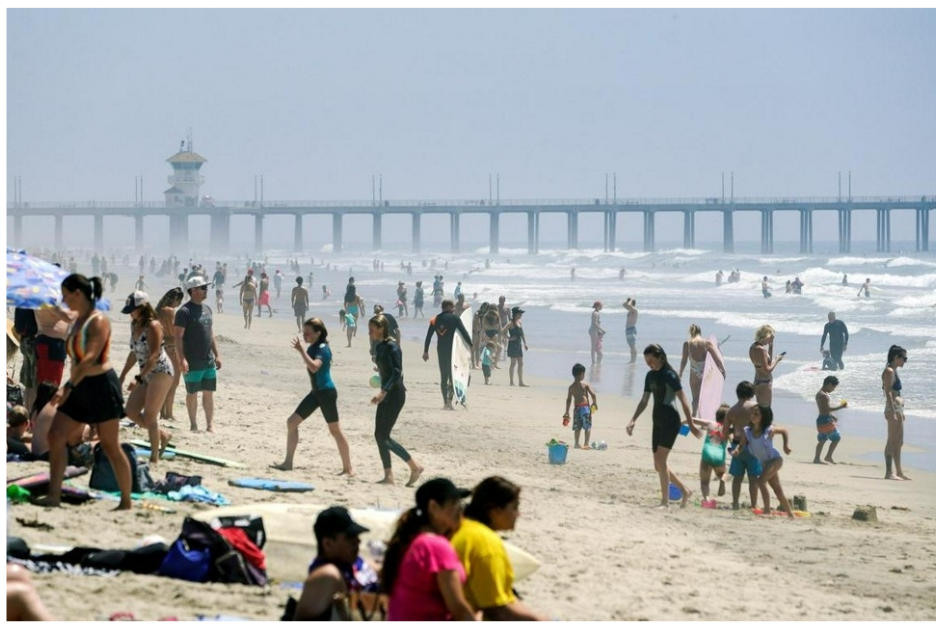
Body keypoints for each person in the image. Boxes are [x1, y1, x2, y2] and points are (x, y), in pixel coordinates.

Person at [44, 274, 130, 509]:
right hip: (79, 384)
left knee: (110, 445)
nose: (64, 300)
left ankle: (126, 501)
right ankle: (53, 495)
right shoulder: (76, 319)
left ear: (78, 294)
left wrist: (67, 387)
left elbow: (90, 357)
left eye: (66, 296)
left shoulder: (98, 321)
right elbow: (63, 315)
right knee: (56, 435)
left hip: (102, 386)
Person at [382, 478, 477, 621]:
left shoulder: (411, 538)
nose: (460, 508)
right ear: (433, 507)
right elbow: (458, 608)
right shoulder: (436, 545)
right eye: (454, 503)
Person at [451, 476, 544, 620]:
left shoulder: (459, 527)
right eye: (514, 507)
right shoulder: (486, 544)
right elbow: (496, 611)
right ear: (494, 511)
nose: (518, 514)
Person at [272, 318, 352, 475]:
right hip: (316, 393)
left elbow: (315, 367)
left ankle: (348, 469)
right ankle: (288, 463)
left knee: (335, 430)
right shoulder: (313, 347)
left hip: (327, 393)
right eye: (304, 332)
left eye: (308, 333)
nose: (305, 335)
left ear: (318, 333)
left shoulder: (323, 349)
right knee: (291, 422)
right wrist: (303, 351)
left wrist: (301, 351)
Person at [626, 344, 701, 508]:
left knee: (661, 461)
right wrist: (633, 419)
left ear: (660, 357)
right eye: (647, 362)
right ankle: (685, 490)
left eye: (651, 360)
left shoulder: (670, 375)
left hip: (670, 421)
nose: (649, 364)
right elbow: (644, 401)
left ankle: (665, 502)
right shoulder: (650, 376)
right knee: (658, 465)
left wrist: (691, 424)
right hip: (657, 421)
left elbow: (684, 401)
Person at [117, 291, 173, 465]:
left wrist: (138, 378)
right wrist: (123, 374)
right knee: (131, 411)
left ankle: (154, 457)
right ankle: (162, 435)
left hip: (161, 372)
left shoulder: (153, 326)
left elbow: (154, 355)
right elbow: (134, 352)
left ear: (143, 308)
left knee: (150, 414)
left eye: (133, 310)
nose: (131, 314)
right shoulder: (134, 324)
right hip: (146, 373)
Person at [370, 314, 423, 486]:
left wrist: (383, 392)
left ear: (381, 329)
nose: (370, 332)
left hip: (395, 394)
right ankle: (389, 476)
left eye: (372, 329)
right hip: (385, 392)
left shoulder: (393, 347)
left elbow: (397, 372)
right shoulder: (379, 347)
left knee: (384, 436)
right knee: (379, 435)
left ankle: (415, 467)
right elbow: (385, 369)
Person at [293, 506, 371, 620]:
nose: (358, 541)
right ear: (328, 544)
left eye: (357, 536)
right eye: (350, 538)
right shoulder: (328, 575)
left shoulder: (349, 562)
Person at [174, 276, 222, 433]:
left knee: (209, 393)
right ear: (193, 290)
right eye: (203, 288)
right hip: (192, 361)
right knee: (192, 392)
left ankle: (210, 425)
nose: (206, 290)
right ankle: (193, 425)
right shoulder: (184, 312)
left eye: (206, 287)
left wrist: (217, 355)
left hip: (208, 360)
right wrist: (182, 359)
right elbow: (178, 337)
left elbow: (211, 333)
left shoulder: (207, 309)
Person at [738, 405, 793, 517]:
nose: (753, 416)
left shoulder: (768, 430)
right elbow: (741, 445)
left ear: (763, 417)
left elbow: (784, 431)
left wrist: (785, 446)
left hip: (775, 460)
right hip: (765, 464)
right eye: (752, 413)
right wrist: (736, 451)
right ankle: (791, 515)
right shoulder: (747, 431)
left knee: (760, 481)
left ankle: (767, 510)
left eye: (756, 414)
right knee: (777, 490)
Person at [720, 381, 764, 510]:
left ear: (737, 393)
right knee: (753, 478)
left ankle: (735, 503)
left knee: (737, 477)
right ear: (752, 393)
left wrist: (731, 434)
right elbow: (763, 425)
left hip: (736, 445)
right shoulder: (755, 407)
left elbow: (725, 431)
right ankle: (754, 504)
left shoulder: (732, 410)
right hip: (753, 445)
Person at [423, 300, 473, 409]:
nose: (454, 308)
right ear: (448, 307)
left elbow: (428, 337)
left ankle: (445, 402)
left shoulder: (435, 319)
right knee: (452, 376)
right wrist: (471, 345)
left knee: (444, 376)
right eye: (453, 307)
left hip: (441, 350)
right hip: (453, 352)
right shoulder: (455, 318)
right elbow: (464, 333)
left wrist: (426, 351)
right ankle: (450, 400)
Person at [678, 324, 726, 416]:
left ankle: (693, 415)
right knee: (705, 398)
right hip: (706, 372)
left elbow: (684, 361)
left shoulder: (687, 344)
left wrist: (680, 373)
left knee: (695, 398)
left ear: (691, 333)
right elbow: (717, 359)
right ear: (700, 332)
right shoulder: (707, 343)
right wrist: (722, 371)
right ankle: (703, 417)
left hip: (694, 372)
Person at [691, 403, 729, 506]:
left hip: (707, 454)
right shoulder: (728, 429)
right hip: (719, 456)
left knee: (704, 482)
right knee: (724, 474)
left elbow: (693, 420)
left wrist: (683, 422)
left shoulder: (710, 424)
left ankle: (707, 500)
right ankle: (722, 481)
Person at [156, 288, 184, 421]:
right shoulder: (170, 311)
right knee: (174, 381)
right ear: (175, 299)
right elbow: (174, 330)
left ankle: (162, 412)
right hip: (172, 347)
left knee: (164, 380)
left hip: (161, 346)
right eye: (179, 301)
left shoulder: (158, 311)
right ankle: (169, 413)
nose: (179, 304)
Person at [882, 344, 909, 480]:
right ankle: (889, 473)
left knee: (899, 441)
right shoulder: (889, 371)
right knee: (892, 441)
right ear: (896, 357)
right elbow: (888, 392)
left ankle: (899, 471)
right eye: (904, 358)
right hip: (892, 408)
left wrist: (901, 411)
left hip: (897, 409)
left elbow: (896, 392)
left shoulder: (894, 370)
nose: (905, 361)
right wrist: (893, 411)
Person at [814, 375, 848, 464]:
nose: (833, 389)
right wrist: (841, 407)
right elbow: (827, 409)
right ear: (829, 384)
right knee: (836, 438)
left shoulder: (819, 394)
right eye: (833, 387)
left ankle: (817, 458)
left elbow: (823, 410)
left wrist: (832, 416)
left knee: (822, 440)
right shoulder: (824, 396)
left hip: (821, 419)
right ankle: (828, 456)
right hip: (825, 420)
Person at [563, 363, 598, 449]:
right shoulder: (585, 385)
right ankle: (586, 443)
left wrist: (567, 411)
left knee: (577, 427)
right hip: (585, 408)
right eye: (584, 374)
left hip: (577, 408)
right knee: (587, 426)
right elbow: (593, 395)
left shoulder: (571, 387)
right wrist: (594, 403)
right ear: (581, 374)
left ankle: (576, 443)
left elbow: (569, 400)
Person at [749, 324, 783, 408]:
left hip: (757, 380)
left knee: (761, 409)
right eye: (771, 337)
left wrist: (771, 346)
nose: (771, 339)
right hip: (765, 382)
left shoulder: (753, 347)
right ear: (766, 336)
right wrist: (777, 360)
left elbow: (767, 362)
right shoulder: (762, 350)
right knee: (766, 410)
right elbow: (767, 369)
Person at [502, 307, 529, 387]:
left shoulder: (519, 322)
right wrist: (509, 338)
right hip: (513, 345)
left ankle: (521, 382)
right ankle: (511, 382)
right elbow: (502, 331)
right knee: (513, 363)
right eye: (519, 313)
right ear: (515, 314)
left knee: (521, 363)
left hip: (518, 345)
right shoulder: (510, 323)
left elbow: (522, 334)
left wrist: (525, 343)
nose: (521, 315)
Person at [589, 301, 605, 365]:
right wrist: (602, 330)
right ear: (598, 306)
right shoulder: (595, 313)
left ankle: (596, 361)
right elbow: (595, 323)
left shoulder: (596, 313)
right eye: (601, 305)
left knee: (596, 346)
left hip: (595, 331)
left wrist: (599, 331)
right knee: (593, 346)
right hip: (593, 331)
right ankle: (593, 362)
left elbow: (596, 323)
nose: (602, 307)